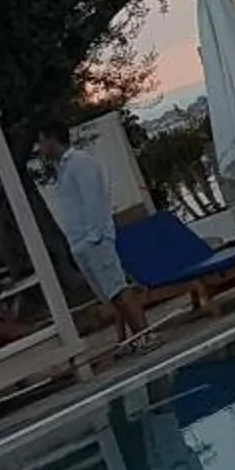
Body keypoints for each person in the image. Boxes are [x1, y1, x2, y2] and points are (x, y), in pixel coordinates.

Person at [36, 124, 154, 350]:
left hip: (94, 241)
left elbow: (94, 201)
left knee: (118, 289)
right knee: (109, 296)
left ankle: (146, 334)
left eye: (42, 142)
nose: (40, 148)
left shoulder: (80, 163)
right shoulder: (62, 169)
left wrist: (95, 237)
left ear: (52, 140)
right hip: (80, 243)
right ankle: (130, 339)